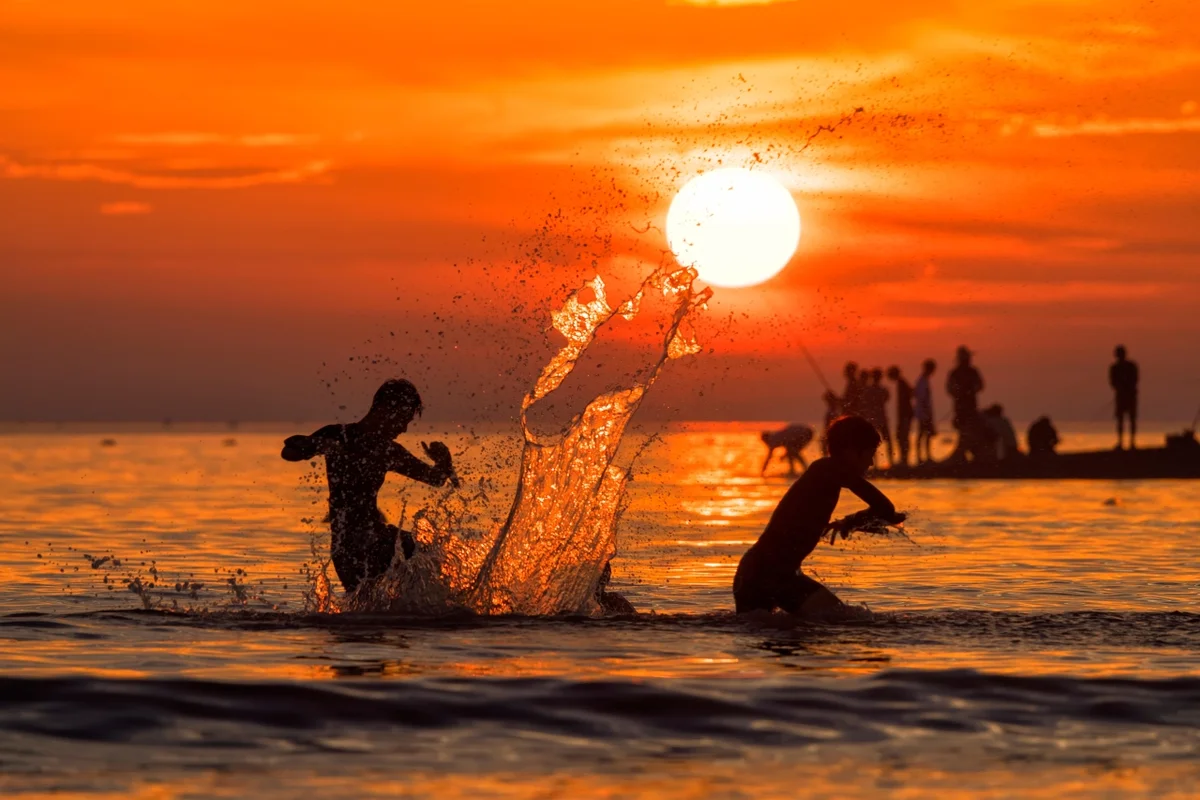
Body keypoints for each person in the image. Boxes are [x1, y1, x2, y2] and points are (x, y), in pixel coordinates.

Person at [281, 379, 458, 593]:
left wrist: (444, 461)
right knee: (429, 553)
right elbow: (288, 452)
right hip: (358, 547)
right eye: (403, 419)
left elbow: (435, 479)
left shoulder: (386, 449)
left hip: (357, 547)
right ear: (384, 410)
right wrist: (316, 445)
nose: (403, 428)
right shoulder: (339, 435)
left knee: (430, 553)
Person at [733, 416, 906, 617]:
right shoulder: (831, 469)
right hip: (771, 572)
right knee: (848, 620)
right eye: (870, 454)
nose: (871, 463)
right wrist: (850, 522)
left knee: (773, 634)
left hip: (759, 570)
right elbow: (885, 507)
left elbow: (886, 512)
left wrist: (853, 522)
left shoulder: (825, 470)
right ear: (850, 452)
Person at [946, 346, 986, 461]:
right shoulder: (954, 373)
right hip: (960, 409)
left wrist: (971, 389)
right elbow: (950, 389)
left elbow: (980, 385)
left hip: (971, 408)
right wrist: (960, 392)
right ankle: (962, 456)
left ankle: (968, 455)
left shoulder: (973, 372)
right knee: (964, 431)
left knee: (969, 431)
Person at [1110, 345, 1139, 450]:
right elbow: (1113, 382)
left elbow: (1135, 380)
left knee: (1130, 420)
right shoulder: (1115, 368)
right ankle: (1122, 442)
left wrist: (1125, 388)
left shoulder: (1131, 366)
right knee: (1121, 420)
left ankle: (1131, 443)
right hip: (1122, 396)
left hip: (1129, 396)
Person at [863, 368, 893, 466]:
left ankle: (878, 464)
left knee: (876, 442)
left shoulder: (869, 390)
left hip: (876, 419)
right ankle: (887, 463)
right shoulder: (882, 390)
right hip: (878, 419)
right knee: (884, 441)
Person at [887, 366, 914, 468]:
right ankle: (903, 459)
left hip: (905, 415)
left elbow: (904, 401)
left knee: (903, 437)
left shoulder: (902, 384)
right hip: (904, 415)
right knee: (901, 437)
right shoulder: (901, 383)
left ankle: (904, 460)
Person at [914, 359, 937, 464]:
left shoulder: (923, 380)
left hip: (923, 413)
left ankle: (925, 456)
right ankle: (922, 457)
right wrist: (927, 414)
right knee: (924, 435)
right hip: (924, 414)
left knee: (924, 435)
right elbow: (922, 399)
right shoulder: (922, 381)